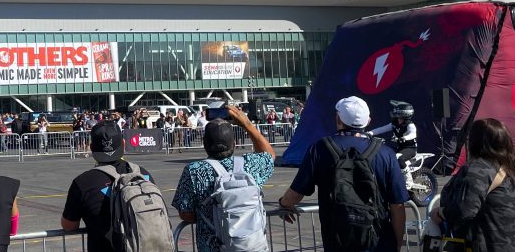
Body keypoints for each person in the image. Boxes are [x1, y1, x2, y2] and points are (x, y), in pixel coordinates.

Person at [278, 96, 408, 252]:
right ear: (368, 121)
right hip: (378, 243)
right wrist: (397, 245)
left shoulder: (320, 149)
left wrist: (284, 204)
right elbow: (398, 206)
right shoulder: (386, 153)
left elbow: (295, 195)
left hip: (337, 242)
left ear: (338, 119)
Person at [172, 106, 276, 252]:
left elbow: (185, 213)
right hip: (251, 246)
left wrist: (211, 215)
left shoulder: (194, 170)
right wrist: (247, 124)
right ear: (234, 144)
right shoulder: (250, 165)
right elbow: (269, 155)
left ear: (205, 144)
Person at [432, 118, 515, 252]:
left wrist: (441, 213)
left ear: (474, 141)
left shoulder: (479, 169)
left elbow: (464, 211)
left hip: (489, 245)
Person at [61, 121, 158, 252]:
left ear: (91, 148)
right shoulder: (143, 174)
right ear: (123, 144)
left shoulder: (83, 182)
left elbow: (69, 225)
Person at [369, 100, 417, 170]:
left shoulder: (410, 125)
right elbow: (381, 129)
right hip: (399, 148)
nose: (397, 118)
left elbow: (413, 134)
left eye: (398, 116)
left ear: (404, 114)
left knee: (399, 159)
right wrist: (370, 133)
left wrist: (404, 138)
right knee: (384, 156)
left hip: (410, 149)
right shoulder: (394, 125)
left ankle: (408, 178)